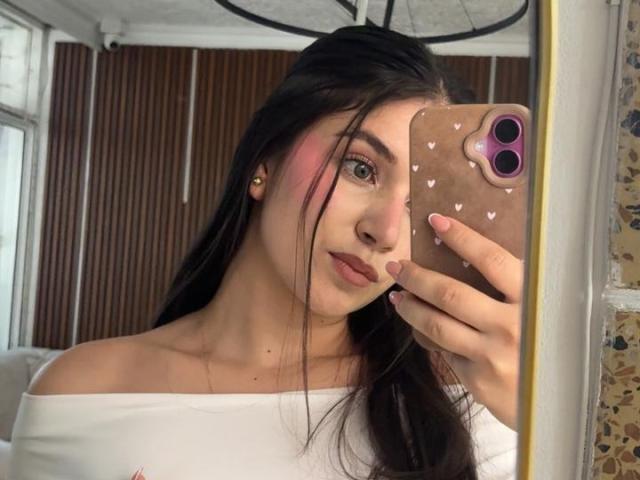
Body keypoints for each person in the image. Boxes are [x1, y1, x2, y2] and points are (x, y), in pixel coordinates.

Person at [8, 25, 521, 480]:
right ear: (266, 162)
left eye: (417, 208)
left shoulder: (466, 406)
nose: (385, 232)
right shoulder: (83, 395)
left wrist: (540, 413)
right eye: (360, 168)